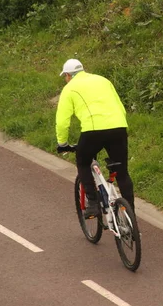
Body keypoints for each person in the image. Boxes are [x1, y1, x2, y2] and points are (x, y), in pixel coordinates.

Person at [55, 58, 135, 219]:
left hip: (93, 131)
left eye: (65, 76)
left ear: (69, 75)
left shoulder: (70, 88)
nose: (65, 79)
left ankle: (92, 203)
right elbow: (119, 106)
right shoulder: (103, 80)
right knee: (122, 173)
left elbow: (62, 121)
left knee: (83, 161)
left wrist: (62, 143)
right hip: (118, 127)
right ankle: (131, 216)